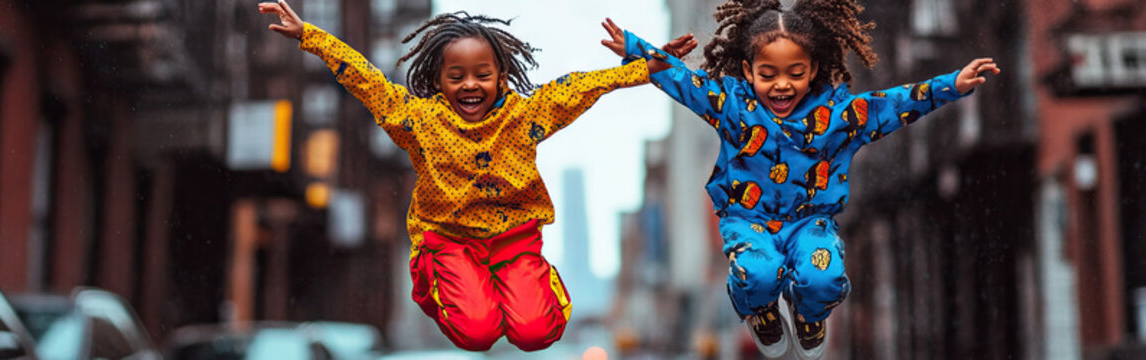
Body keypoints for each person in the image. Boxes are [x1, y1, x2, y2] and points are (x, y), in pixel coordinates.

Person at [259, 0, 693, 352]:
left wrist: (647, 66)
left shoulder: (527, 114)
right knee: (479, 333)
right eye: (457, 76)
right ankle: (431, 275)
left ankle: (535, 283)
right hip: (449, 240)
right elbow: (368, 82)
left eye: (482, 75)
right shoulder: (418, 120)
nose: (471, 85)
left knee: (535, 335)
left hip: (515, 241)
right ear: (438, 81)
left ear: (501, 77)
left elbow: (583, 86)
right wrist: (311, 37)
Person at [600, 0, 1000, 357]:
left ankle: (810, 319)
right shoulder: (730, 104)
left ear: (813, 70)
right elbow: (683, 81)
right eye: (768, 73)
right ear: (748, 70)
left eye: (795, 73)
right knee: (758, 274)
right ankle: (761, 313)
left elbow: (895, 103)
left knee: (821, 277)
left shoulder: (840, 116)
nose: (781, 85)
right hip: (748, 221)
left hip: (811, 221)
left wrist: (952, 85)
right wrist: (635, 48)